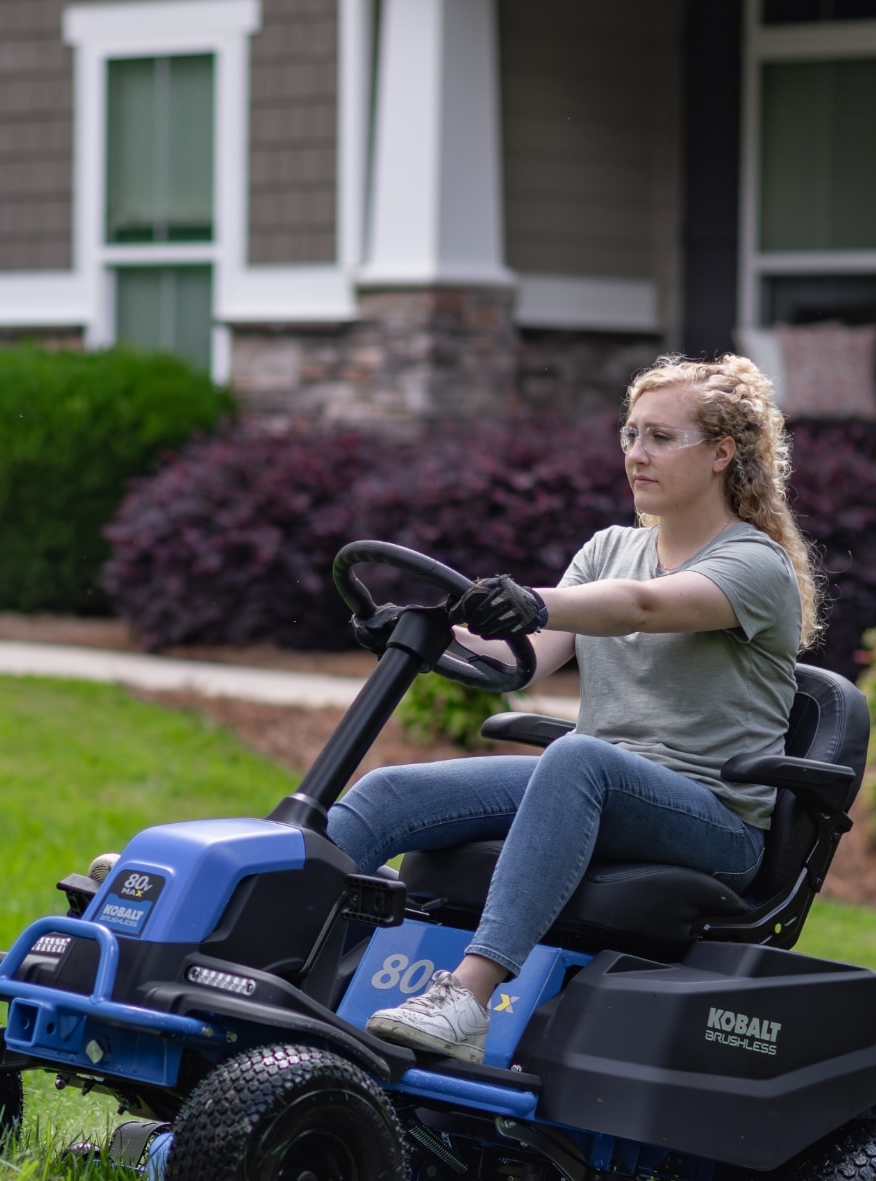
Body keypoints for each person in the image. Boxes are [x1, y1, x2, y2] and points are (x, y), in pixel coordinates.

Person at [330, 352, 819, 1064]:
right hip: (602, 785)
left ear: (721, 454)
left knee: (577, 757)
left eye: (660, 437)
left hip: (714, 821)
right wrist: (422, 629)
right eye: (629, 435)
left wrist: (534, 598)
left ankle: (467, 998)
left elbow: (644, 607)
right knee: (388, 792)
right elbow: (522, 654)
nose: (636, 455)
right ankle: (259, 923)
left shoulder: (754, 565)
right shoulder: (609, 548)